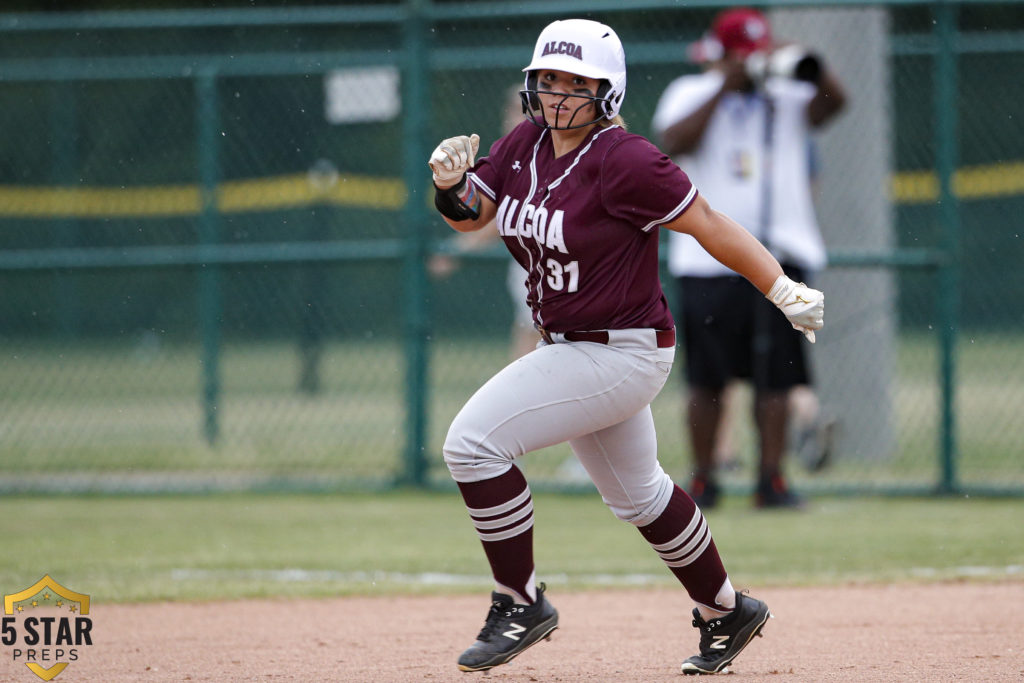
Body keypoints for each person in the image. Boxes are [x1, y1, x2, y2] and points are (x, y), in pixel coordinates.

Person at [427, 18, 823, 676]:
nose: (557, 94)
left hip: (621, 350)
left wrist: (779, 287)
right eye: (548, 79)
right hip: (575, 345)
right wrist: (448, 183)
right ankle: (727, 609)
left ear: (608, 92)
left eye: (577, 82)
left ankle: (521, 601)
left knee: (471, 444)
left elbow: (709, 222)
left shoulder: (625, 158)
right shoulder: (525, 143)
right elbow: (472, 211)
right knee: (640, 496)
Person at [652, 8, 846, 509]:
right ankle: (703, 477)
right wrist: (726, 86)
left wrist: (806, 63)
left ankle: (771, 479)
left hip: (780, 253)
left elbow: (835, 104)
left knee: (777, 376)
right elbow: (673, 142)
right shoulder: (691, 92)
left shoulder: (783, 96)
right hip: (706, 260)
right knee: (706, 378)